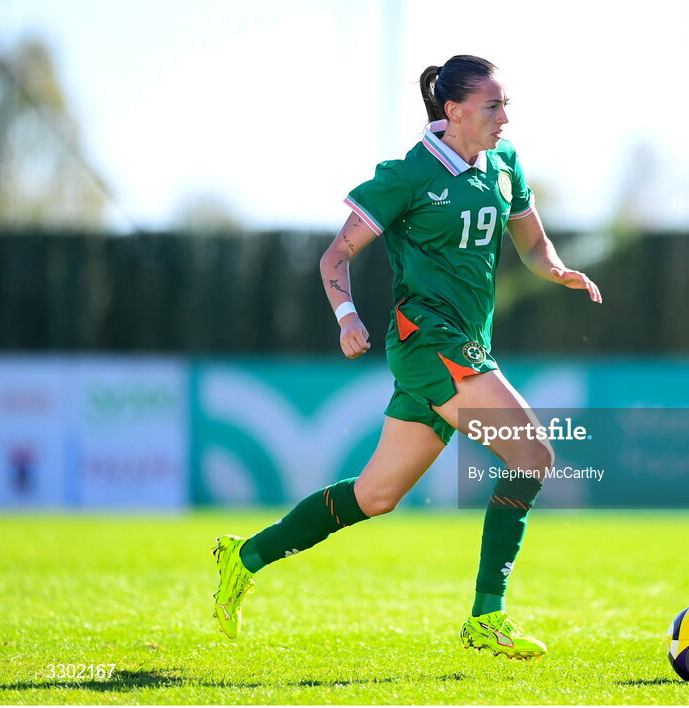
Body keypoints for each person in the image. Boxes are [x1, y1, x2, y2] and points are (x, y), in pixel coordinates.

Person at [211, 54, 601, 660]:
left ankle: (245, 556)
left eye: (506, 105)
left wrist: (557, 270)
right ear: (453, 111)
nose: (504, 117)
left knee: (375, 497)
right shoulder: (408, 175)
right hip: (432, 342)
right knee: (533, 453)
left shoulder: (504, 166)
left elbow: (531, 242)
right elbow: (334, 257)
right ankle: (486, 616)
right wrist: (347, 318)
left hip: (459, 345)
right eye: (492, 106)